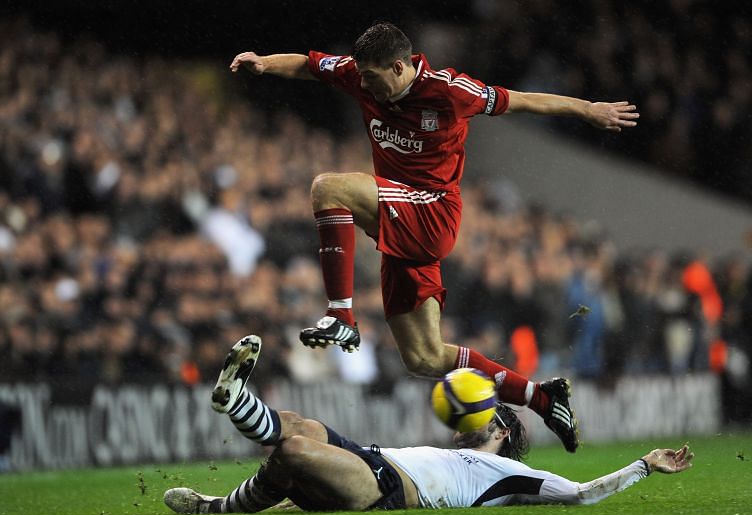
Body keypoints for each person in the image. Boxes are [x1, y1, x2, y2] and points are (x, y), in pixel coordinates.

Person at [229, 22, 639, 453]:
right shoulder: (361, 73)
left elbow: (522, 100)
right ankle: (541, 397)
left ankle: (342, 316)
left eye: (372, 77)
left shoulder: (449, 90)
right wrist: (263, 62)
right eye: (361, 76)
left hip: (433, 212)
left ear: (400, 66)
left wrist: (588, 109)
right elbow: (309, 66)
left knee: (328, 187)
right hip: (399, 219)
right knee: (423, 357)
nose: (363, 84)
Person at [168, 335, 693, 513]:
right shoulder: (451, 452)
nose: (466, 428)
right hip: (372, 458)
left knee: (292, 454)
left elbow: (582, 494)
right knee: (298, 424)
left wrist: (644, 466)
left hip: (389, 488)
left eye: (483, 421)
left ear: (503, 431)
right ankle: (237, 402)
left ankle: (215, 506)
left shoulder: (505, 478)